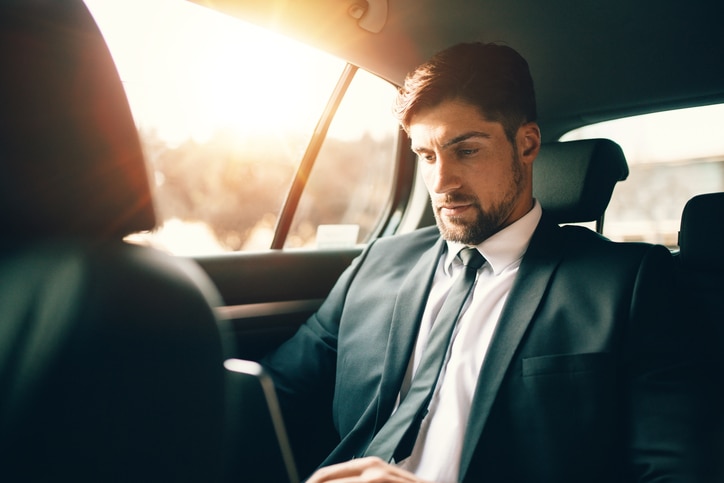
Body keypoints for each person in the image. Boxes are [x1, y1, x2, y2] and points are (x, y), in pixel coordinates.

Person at [261, 42, 701, 482]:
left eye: (466, 151)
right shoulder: (380, 262)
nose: (441, 182)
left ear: (527, 145)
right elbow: (269, 393)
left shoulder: (630, 282)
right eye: (426, 156)